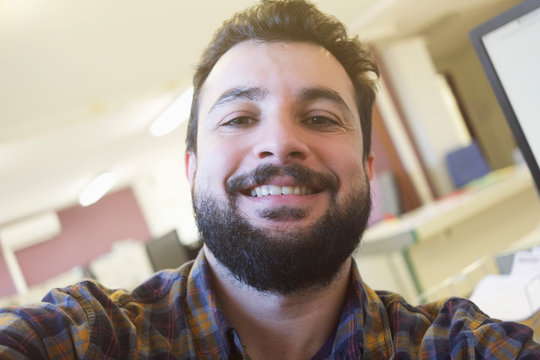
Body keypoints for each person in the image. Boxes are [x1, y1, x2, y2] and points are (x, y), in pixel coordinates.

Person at [1, 0, 539, 358]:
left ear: (368, 169)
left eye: (322, 118)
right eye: (238, 119)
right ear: (191, 172)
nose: (280, 142)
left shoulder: (451, 345)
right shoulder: (93, 336)